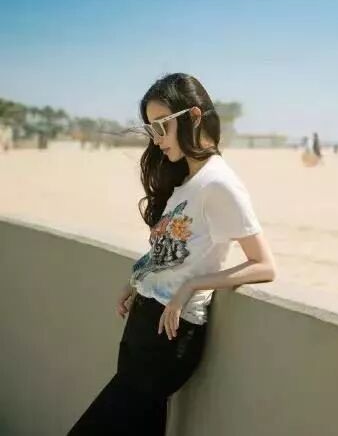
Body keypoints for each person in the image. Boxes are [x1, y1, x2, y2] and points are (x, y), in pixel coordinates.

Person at [68, 73, 277, 435]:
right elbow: (171, 252)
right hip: (143, 324)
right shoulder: (185, 183)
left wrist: (191, 287)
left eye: (162, 126)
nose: (157, 139)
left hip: (171, 336)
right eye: (151, 129)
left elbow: (264, 265)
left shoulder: (220, 184)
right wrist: (138, 280)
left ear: (193, 116)